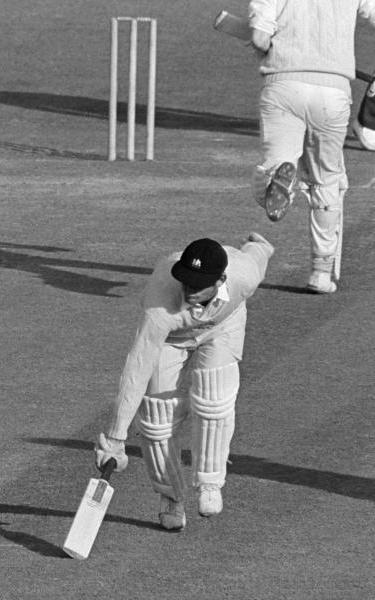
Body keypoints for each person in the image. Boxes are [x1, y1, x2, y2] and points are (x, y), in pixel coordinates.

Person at [95, 233, 274, 530]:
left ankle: (210, 484)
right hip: (172, 338)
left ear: (220, 282)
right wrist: (115, 437)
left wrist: (260, 244)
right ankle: (170, 497)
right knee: (155, 418)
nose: (189, 289)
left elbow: (258, 254)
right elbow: (138, 366)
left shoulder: (243, 275)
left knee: (215, 399)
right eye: (186, 281)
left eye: (198, 285)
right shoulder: (160, 303)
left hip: (222, 327)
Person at [248, 0, 375, 294]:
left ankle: (278, 181)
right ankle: (321, 271)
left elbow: (258, 37)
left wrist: (263, 49)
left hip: (283, 86)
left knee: (272, 167)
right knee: (327, 180)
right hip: (332, 92)